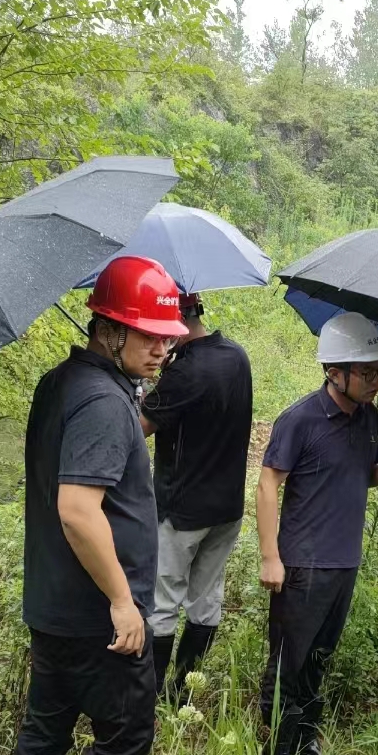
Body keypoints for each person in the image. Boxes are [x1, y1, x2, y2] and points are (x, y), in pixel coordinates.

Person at [10, 256, 189, 755]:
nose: (161, 348)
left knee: (45, 731)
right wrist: (121, 600)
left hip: (53, 602)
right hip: (97, 616)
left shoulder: (60, 382)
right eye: (148, 335)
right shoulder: (105, 402)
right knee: (130, 732)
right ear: (109, 330)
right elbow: (77, 509)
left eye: (167, 336)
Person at [255, 312, 378, 755]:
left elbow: (362, 475)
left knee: (320, 654)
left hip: (345, 559)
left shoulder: (370, 419)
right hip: (303, 561)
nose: (376, 380)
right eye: (367, 371)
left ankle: (304, 732)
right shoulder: (300, 419)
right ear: (334, 371)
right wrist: (270, 556)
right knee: (289, 658)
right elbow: (267, 484)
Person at [140, 293, 253, 697]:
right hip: (227, 507)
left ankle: (151, 693)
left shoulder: (185, 372)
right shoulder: (236, 356)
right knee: (207, 599)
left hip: (182, 510)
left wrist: (144, 386)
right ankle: (182, 690)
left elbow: (139, 427)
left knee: (163, 600)